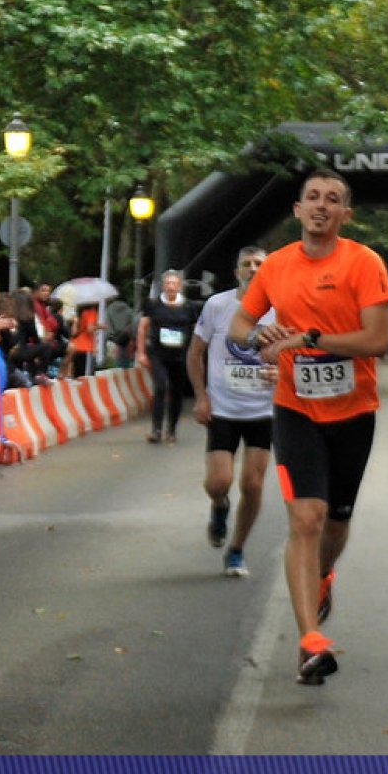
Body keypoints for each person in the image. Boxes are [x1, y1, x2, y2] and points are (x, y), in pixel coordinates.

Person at [228, 170, 388, 685]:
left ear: (345, 214)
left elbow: (376, 340)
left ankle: (321, 576)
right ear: (298, 210)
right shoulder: (276, 266)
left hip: (354, 413)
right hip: (295, 410)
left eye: (333, 199)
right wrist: (259, 337)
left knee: (335, 525)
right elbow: (238, 327)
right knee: (306, 517)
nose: (322, 205)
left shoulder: (364, 263)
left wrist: (310, 339)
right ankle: (310, 641)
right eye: (313, 197)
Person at [186, 246, 275, 577]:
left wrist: (282, 371)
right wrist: (201, 396)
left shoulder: (280, 310)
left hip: (263, 410)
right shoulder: (217, 305)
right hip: (223, 407)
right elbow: (195, 353)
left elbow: (296, 354)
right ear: (237, 272)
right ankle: (220, 505)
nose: (253, 269)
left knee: (253, 485)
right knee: (219, 482)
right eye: (246, 264)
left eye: (259, 264)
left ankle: (236, 549)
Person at [136, 270, 199, 443]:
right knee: (160, 387)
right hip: (158, 354)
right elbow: (142, 328)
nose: (171, 287)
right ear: (163, 286)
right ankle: (156, 430)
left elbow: (197, 332)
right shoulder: (153, 304)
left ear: (180, 286)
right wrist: (141, 352)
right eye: (168, 283)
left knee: (177, 391)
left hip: (180, 355)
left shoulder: (189, 307)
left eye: (174, 283)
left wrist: (196, 354)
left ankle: (171, 430)